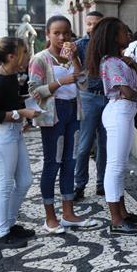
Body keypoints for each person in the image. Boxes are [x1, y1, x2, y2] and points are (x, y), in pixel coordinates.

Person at [28, 16, 94, 234]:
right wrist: (60, 82)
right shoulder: (40, 59)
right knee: (52, 164)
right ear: (47, 34)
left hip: (73, 113)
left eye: (66, 32)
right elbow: (35, 91)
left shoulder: (70, 56)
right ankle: (50, 217)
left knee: (70, 162)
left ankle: (68, 213)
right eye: (56, 33)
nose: (62, 37)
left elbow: (83, 81)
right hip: (52, 117)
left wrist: (75, 59)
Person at [88, 17, 137, 236]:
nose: (128, 34)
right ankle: (115, 219)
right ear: (114, 36)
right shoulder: (111, 62)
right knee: (114, 166)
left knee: (120, 165)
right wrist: (136, 92)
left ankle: (122, 213)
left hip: (125, 111)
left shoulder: (122, 61)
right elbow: (129, 92)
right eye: (124, 31)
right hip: (118, 112)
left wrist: (136, 69)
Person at [0, 37, 40, 248]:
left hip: (13, 133)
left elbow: (12, 101)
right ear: (11, 56)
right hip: (1, 136)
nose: (28, 56)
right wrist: (20, 113)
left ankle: (10, 223)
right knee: (4, 185)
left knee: (24, 181)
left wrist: (32, 99)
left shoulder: (11, 76)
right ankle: (1, 232)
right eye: (25, 52)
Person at [72, 10, 106, 201]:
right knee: (84, 145)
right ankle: (79, 185)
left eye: (96, 24)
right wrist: (71, 56)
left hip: (108, 98)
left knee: (105, 144)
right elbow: (75, 70)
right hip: (88, 97)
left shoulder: (110, 46)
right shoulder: (79, 45)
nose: (92, 27)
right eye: (89, 24)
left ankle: (102, 184)